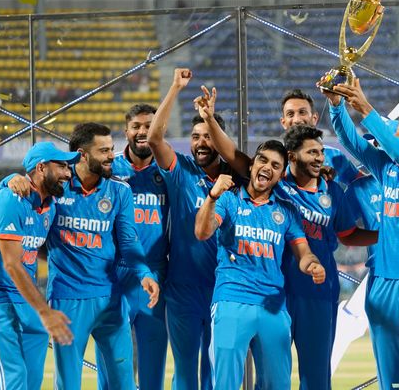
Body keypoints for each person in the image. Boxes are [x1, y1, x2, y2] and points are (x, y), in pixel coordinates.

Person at [6, 123, 160, 390]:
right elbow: (23, 190)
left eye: (111, 149)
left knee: (124, 380)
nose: (112, 155)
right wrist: (8, 180)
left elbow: (128, 241)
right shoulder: (58, 187)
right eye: (104, 150)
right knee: (68, 383)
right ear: (83, 154)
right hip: (67, 299)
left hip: (110, 299)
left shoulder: (120, 191)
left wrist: (144, 273)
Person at [324, 77, 399, 390]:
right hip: (382, 282)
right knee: (389, 379)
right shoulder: (385, 169)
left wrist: (365, 107)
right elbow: (352, 142)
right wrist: (336, 105)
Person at [194, 140, 326, 389]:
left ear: (280, 174)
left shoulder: (287, 211)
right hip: (231, 300)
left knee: (277, 385)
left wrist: (313, 265)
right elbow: (202, 232)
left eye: (275, 165)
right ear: (252, 164)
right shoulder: (228, 200)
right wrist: (212, 196)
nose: (267, 167)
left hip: (273, 306)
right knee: (225, 384)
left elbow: (304, 253)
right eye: (263, 160)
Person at [147, 69, 246, 390]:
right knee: (187, 374)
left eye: (208, 137)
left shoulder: (239, 180)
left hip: (226, 290)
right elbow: (153, 139)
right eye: (195, 137)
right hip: (183, 290)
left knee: (220, 375)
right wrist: (175, 87)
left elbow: (237, 157)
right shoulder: (181, 171)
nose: (201, 143)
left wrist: (211, 120)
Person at [278, 125, 377, 389]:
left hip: (319, 292)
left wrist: (383, 236)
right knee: (273, 374)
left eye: (321, 152)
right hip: (278, 291)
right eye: (312, 152)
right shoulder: (275, 184)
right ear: (292, 156)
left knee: (317, 376)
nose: (320, 158)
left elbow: (348, 234)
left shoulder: (332, 191)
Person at [0, 142, 78, 390]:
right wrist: (45, 312)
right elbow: (11, 263)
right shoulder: (11, 200)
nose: (68, 173)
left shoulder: (49, 206)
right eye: (62, 166)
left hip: (24, 299)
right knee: (13, 382)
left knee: (32, 382)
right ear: (41, 168)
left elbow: (37, 250)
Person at [96, 104, 170, 390]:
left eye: (149, 125)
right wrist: (8, 181)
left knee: (153, 367)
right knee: (113, 367)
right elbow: (64, 179)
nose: (142, 132)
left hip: (154, 274)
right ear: (125, 131)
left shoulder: (170, 168)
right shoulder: (107, 167)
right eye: (136, 126)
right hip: (113, 275)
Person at [280, 88, 359, 186]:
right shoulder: (273, 158)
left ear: (314, 118)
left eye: (302, 112)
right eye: (290, 114)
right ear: (283, 122)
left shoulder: (335, 156)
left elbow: (364, 184)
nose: (297, 120)